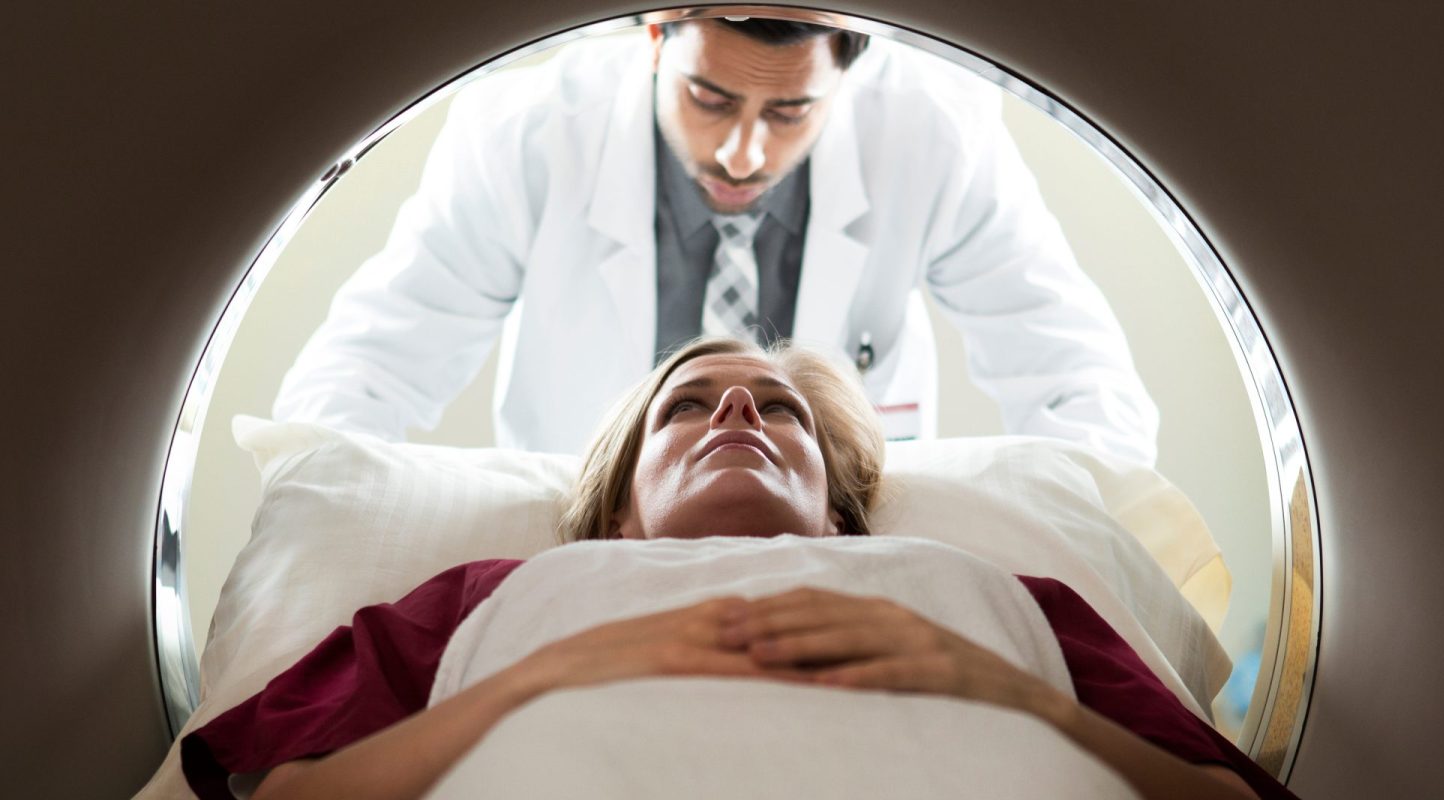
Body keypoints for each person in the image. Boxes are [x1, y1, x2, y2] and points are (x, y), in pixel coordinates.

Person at [184, 338, 1293, 799]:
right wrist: (537, 674)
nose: (735, 409)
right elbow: (280, 793)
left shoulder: (1001, 596)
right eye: (688, 403)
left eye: (778, 409)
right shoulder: (489, 593)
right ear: (618, 512)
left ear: (838, 515)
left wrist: (1003, 687)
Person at [273, 15, 1160, 464]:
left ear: (852, 69)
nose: (743, 151)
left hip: (841, 565)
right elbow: (361, 376)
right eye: (710, 98)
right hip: (584, 562)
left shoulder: (933, 136)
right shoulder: (529, 136)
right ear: (655, 38)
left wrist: (1033, 565)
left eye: (789, 110)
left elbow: (1084, 389)